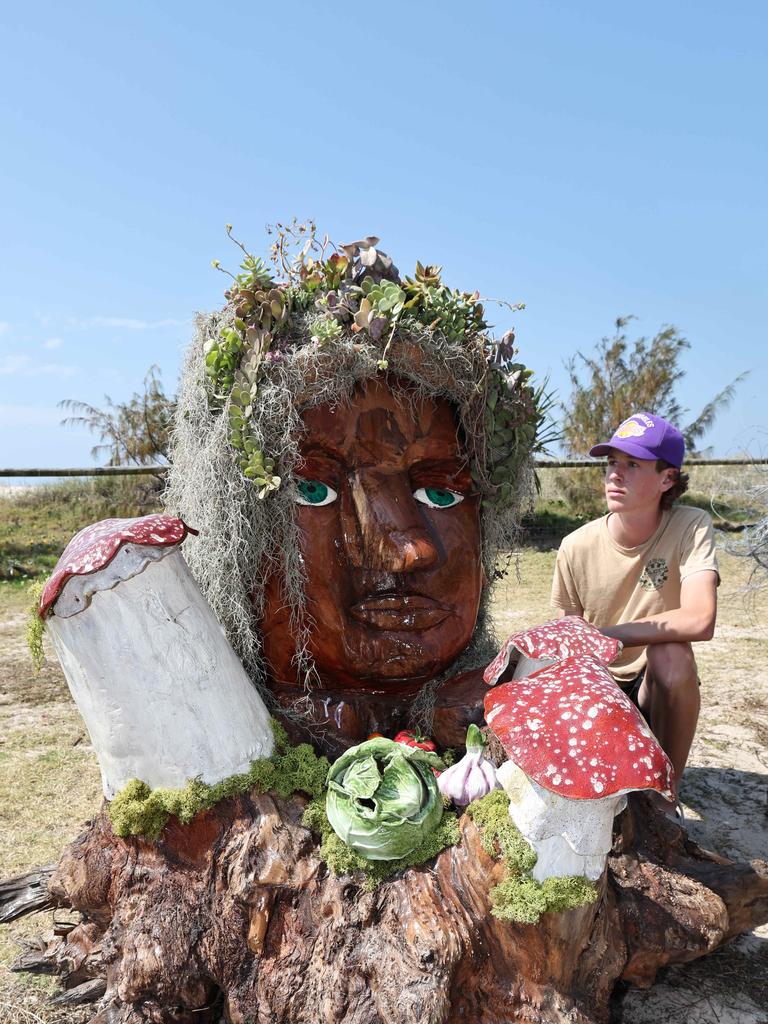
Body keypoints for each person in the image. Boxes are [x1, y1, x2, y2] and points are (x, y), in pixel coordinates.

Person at [550, 412, 719, 803]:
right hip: (598, 688)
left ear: (667, 479)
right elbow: (566, 644)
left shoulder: (690, 527)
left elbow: (700, 618)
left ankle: (665, 793)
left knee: (672, 653)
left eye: (632, 464)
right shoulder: (575, 546)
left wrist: (606, 636)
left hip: (652, 688)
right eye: (611, 463)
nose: (615, 475)